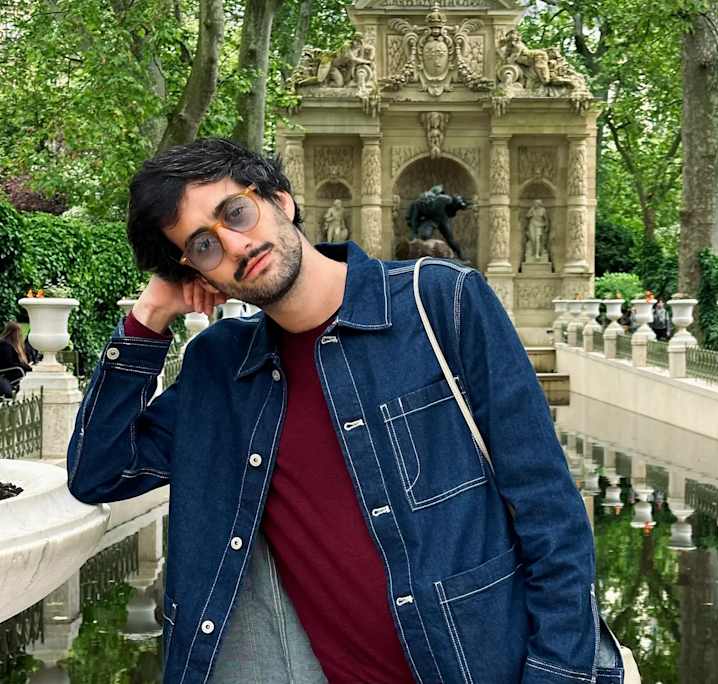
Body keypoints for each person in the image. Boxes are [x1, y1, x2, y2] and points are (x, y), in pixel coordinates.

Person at [66, 139, 625, 684]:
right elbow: (100, 471)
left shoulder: (442, 302)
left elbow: (548, 509)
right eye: (204, 246)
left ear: (280, 199)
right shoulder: (222, 367)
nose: (234, 245)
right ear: (198, 275)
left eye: (236, 213)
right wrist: (149, 315)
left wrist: (560, 670)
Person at [0, 322, 32, 398]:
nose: (20, 335)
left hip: (14, 370)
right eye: (19, 332)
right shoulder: (5, 346)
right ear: (13, 333)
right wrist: (26, 367)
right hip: (9, 373)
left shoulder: (12, 345)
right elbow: (9, 363)